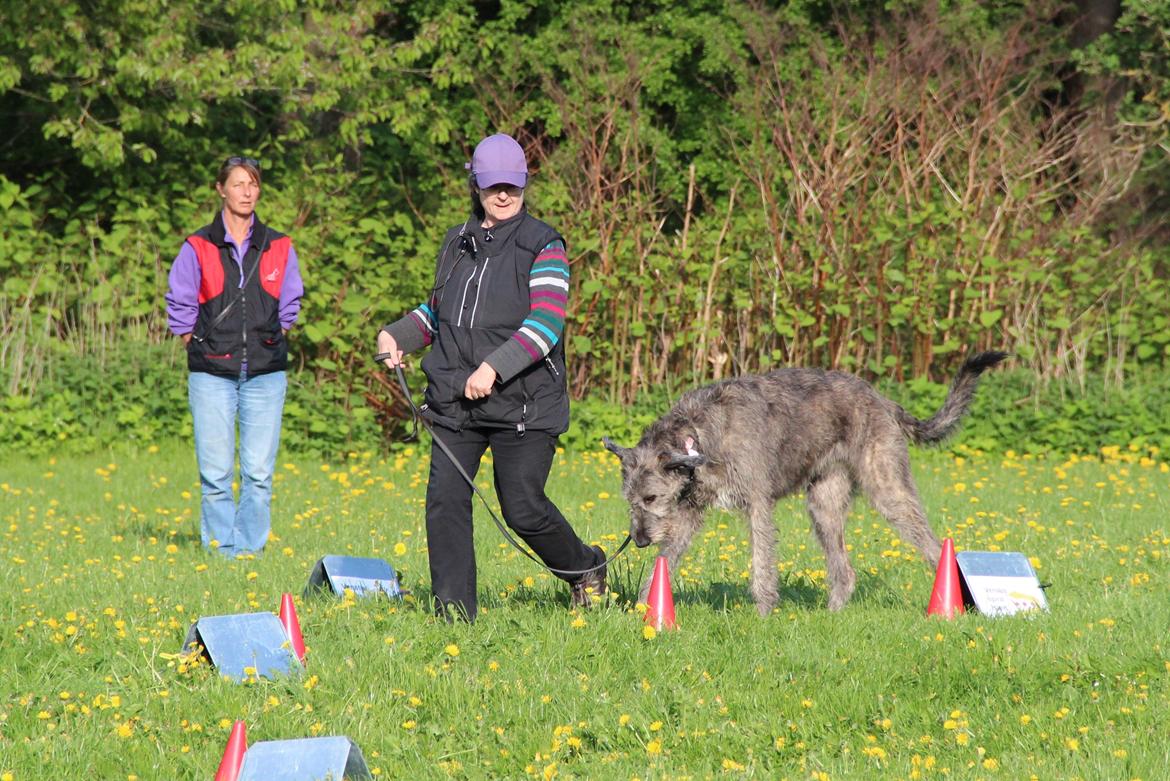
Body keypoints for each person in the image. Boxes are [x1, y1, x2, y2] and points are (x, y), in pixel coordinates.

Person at [377, 133, 605, 621]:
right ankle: (454, 616)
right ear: (475, 185)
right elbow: (436, 314)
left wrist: (493, 368)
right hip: (457, 402)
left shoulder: (544, 244)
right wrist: (397, 335)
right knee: (444, 503)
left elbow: (546, 325)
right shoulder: (457, 243)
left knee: (522, 509)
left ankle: (584, 568)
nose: (504, 195)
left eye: (513, 186)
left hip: (524, 403)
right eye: (493, 185)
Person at [165, 156, 304, 557]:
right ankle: (222, 552)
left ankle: (250, 550)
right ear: (221, 189)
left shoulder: (278, 244)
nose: (247, 191)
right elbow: (180, 299)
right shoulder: (198, 245)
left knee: (259, 473)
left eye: (253, 184)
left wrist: (274, 334)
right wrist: (194, 339)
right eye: (239, 184)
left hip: (266, 371)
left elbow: (290, 299)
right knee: (216, 473)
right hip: (211, 372)